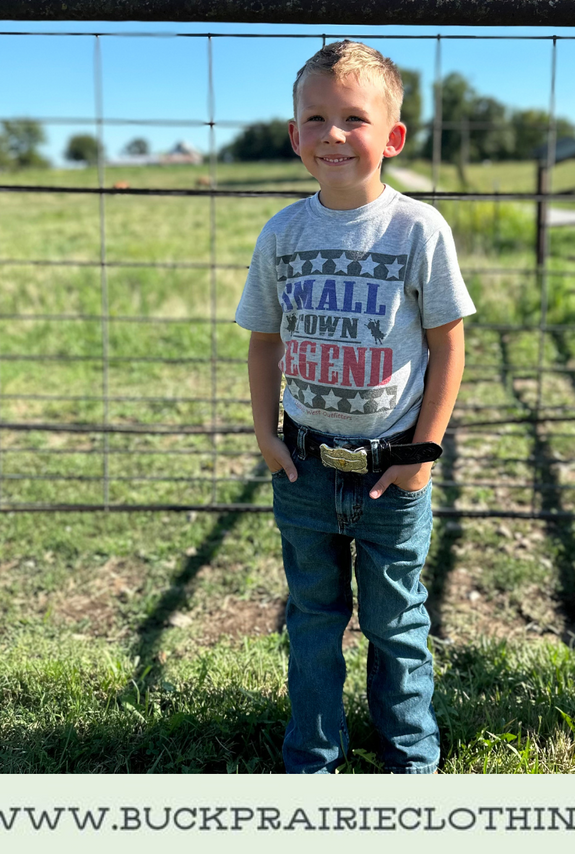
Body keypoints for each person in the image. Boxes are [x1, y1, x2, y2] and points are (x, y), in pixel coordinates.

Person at [235, 40, 475, 773]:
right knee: (311, 620)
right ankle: (311, 759)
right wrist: (267, 438)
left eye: (353, 118)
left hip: (389, 473)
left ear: (393, 137)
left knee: (396, 625)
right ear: (294, 135)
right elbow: (264, 343)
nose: (333, 134)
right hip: (304, 470)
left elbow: (448, 345)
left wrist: (422, 454)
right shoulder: (282, 233)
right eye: (315, 118)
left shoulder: (419, 230)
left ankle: (411, 762)